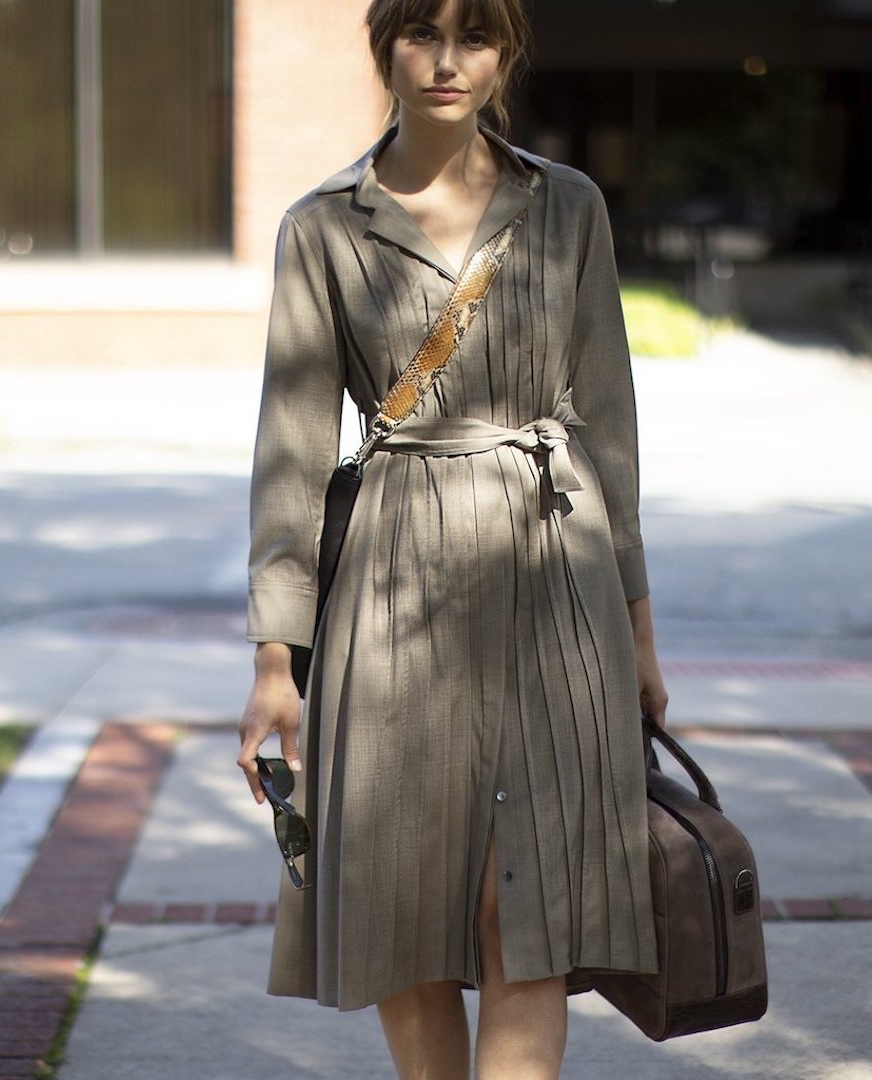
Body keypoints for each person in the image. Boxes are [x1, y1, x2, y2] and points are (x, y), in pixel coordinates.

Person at [237, 1, 668, 1076]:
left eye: (474, 36)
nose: (445, 61)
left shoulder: (566, 207)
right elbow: (292, 452)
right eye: (421, 33)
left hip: (550, 566)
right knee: (405, 912)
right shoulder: (322, 225)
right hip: (388, 581)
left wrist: (641, 633)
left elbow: (608, 432)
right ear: (382, 46)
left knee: (526, 911)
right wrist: (272, 662)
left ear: (507, 54)